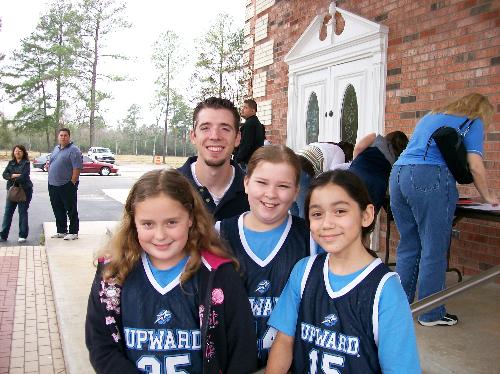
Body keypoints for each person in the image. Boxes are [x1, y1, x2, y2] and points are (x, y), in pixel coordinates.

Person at [85, 169, 258, 373]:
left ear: (191, 219)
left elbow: (242, 350)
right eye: (148, 224)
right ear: (133, 223)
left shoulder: (218, 275)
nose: (160, 235)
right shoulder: (113, 275)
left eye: (171, 222)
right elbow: (101, 346)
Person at [266, 170, 421, 373]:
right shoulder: (303, 272)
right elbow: (284, 342)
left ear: (366, 215)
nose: (327, 224)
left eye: (340, 211)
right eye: (317, 214)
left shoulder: (385, 289)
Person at [389, 93, 498, 327]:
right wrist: (489, 196)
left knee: (409, 244)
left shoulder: (432, 115)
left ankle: (402, 307)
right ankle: (430, 313)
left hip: (398, 174)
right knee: (434, 247)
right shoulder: (473, 120)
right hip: (430, 176)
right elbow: (475, 166)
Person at [217, 145, 312, 368]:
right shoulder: (218, 233)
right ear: (246, 183)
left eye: (283, 186)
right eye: (262, 182)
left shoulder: (312, 238)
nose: (271, 194)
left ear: (296, 191)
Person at [179, 97, 249, 221]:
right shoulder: (167, 187)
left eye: (225, 129)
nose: (215, 136)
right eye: (205, 128)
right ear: (193, 136)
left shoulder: (255, 193)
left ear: (237, 138)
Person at [349, 131, 409, 212]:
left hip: (357, 175)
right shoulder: (397, 161)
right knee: (367, 217)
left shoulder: (375, 138)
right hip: (377, 186)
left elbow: (358, 148)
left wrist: (355, 164)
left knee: (346, 209)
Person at [292, 141, 354, 218]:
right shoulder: (339, 151)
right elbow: (334, 171)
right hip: (302, 171)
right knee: (304, 211)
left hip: (290, 165)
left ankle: (293, 229)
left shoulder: (322, 145)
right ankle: (303, 230)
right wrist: (350, 165)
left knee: (293, 209)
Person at [48, 128, 82, 240]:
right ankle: (61, 230)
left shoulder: (74, 150)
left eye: (65, 135)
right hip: (53, 184)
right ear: (58, 137)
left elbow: (77, 168)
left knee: (70, 209)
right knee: (57, 208)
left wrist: (72, 183)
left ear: (69, 137)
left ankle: (73, 232)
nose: (63, 137)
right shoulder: (56, 148)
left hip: (66, 185)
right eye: (61, 135)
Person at [0, 145, 33, 243]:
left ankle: (22, 235)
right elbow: (4, 174)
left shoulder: (26, 163)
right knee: (8, 213)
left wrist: (12, 176)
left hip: (24, 191)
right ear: (13, 152)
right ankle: (3, 235)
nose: (17, 152)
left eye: (20, 151)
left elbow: (24, 176)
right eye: (16, 151)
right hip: (12, 191)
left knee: (22, 213)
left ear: (23, 153)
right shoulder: (11, 163)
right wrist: (13, 175)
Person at [235, 99, 266, 170]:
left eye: (245, 107)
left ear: (253, 111)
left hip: (247, 163)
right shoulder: (256, 123)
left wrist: (237, 160)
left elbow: (245, 145)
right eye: (242, 107)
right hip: (254, 161)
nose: (242, 110)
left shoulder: (250, 124)